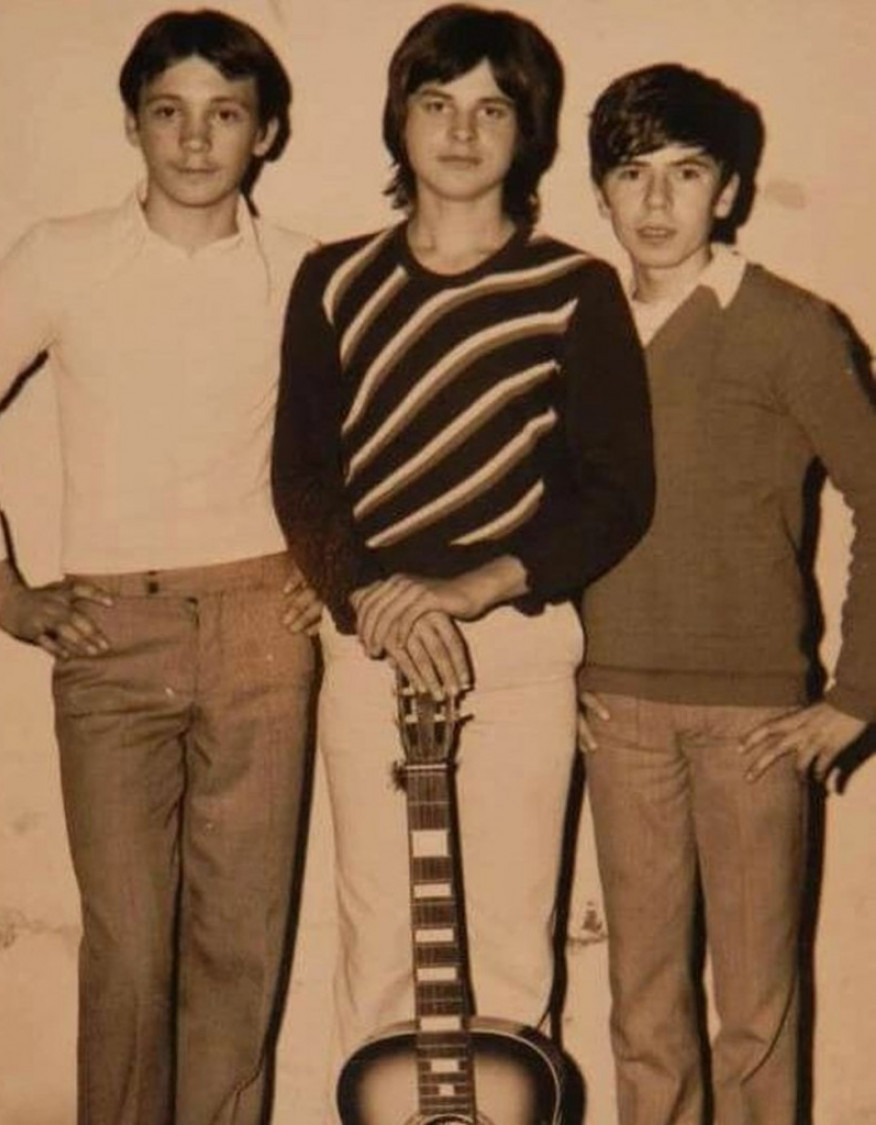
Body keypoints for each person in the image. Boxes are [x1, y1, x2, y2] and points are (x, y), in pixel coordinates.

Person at [272, 3, 654, 1112]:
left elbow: (614, 494)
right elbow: (303, 475)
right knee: (381, 947)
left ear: (527, 132)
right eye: (437, 103)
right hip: (373, 648)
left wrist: (469, 588)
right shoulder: (334, 280)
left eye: (492, 109)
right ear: (400, 118)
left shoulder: (575, 288)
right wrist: (372, 598)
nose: (460, 131)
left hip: (516, 650)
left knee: (511, 949)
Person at [0, 10, 320, 1125]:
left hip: (263, 629)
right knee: (128, 953)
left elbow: (368, 439)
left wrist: (336, 563)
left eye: (225, 114)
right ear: (132, 124)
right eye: (169, 112)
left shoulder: (304, 273)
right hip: (110, 637)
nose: (195, 139)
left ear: (265, 133)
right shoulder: (61, 254)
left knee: (241, 947)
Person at [579, 62, 876, 1125]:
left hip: (756, 721)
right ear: (601, 193)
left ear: (732, 190)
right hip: (618, 711)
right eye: (632, 173)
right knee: (642, 1009)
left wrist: (856, 695)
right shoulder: (579, 326)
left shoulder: (791, 326)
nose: (657, 201)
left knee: (756, 1012)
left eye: (687, 172)